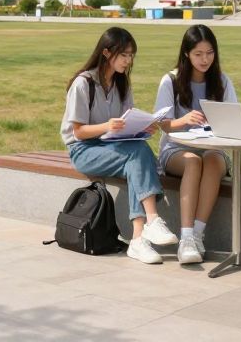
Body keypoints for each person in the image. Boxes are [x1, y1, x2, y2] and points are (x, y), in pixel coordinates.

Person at [60, 26, 177, 264]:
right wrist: (107, 126)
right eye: (124, 55)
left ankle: (138, 238)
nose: (128, 60)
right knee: (138, 156)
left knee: (138, 154)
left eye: (131, 55)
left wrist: (144, 127)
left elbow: (126, 123)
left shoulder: (122, 84)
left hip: (114, 146)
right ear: (106, 53)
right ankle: (149, 225)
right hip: (83, 150)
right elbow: (78, 132)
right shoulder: (83, 84)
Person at [153, 24, 237, 264]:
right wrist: (184, 119)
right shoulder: (170, 80)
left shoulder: (222, 81)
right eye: (198, 54)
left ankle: (199, 235)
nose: (205, 59)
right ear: (187, 54)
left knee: (210, 160)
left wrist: (219, 121)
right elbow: (164, 124)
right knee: (193, 162)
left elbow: (233, 120)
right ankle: (186, 238)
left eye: (210, 53)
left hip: (212, 147)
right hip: (176, 150)